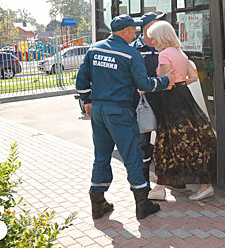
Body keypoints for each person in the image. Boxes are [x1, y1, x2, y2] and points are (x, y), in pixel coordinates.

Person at [76, 14, 174, 220]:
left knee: (101, 156)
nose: (136, 33)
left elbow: (82, 79)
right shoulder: (131, 54)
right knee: (132, 157)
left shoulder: (94, 48)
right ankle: (142, 205)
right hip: (120, 112)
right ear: (125, 32)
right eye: (133, 30)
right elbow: (144, 85)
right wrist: (166, 81)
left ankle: (98, 203)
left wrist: (87, 100)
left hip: (99, 111)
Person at [146, 21, 217, 201]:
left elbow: (165, 82)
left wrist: (148, 87)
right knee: (186, 141)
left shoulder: (164, 55)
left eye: (153, 37)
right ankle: (162, 186)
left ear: (160, 37)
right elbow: (192, 77)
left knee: (169, 142)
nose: (151, 40)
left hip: (170, 102)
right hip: (184, 97)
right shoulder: (180, 53)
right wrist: (180, 84)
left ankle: (165, 187)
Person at [130, 12, 166, 184]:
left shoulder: (164, 47)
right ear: (148, 28)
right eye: (158, 23)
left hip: (163, 101)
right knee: (142, 143)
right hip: (142, 104)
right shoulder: (133, 49)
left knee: (165, 141)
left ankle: (167, 179)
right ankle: (144, 182)